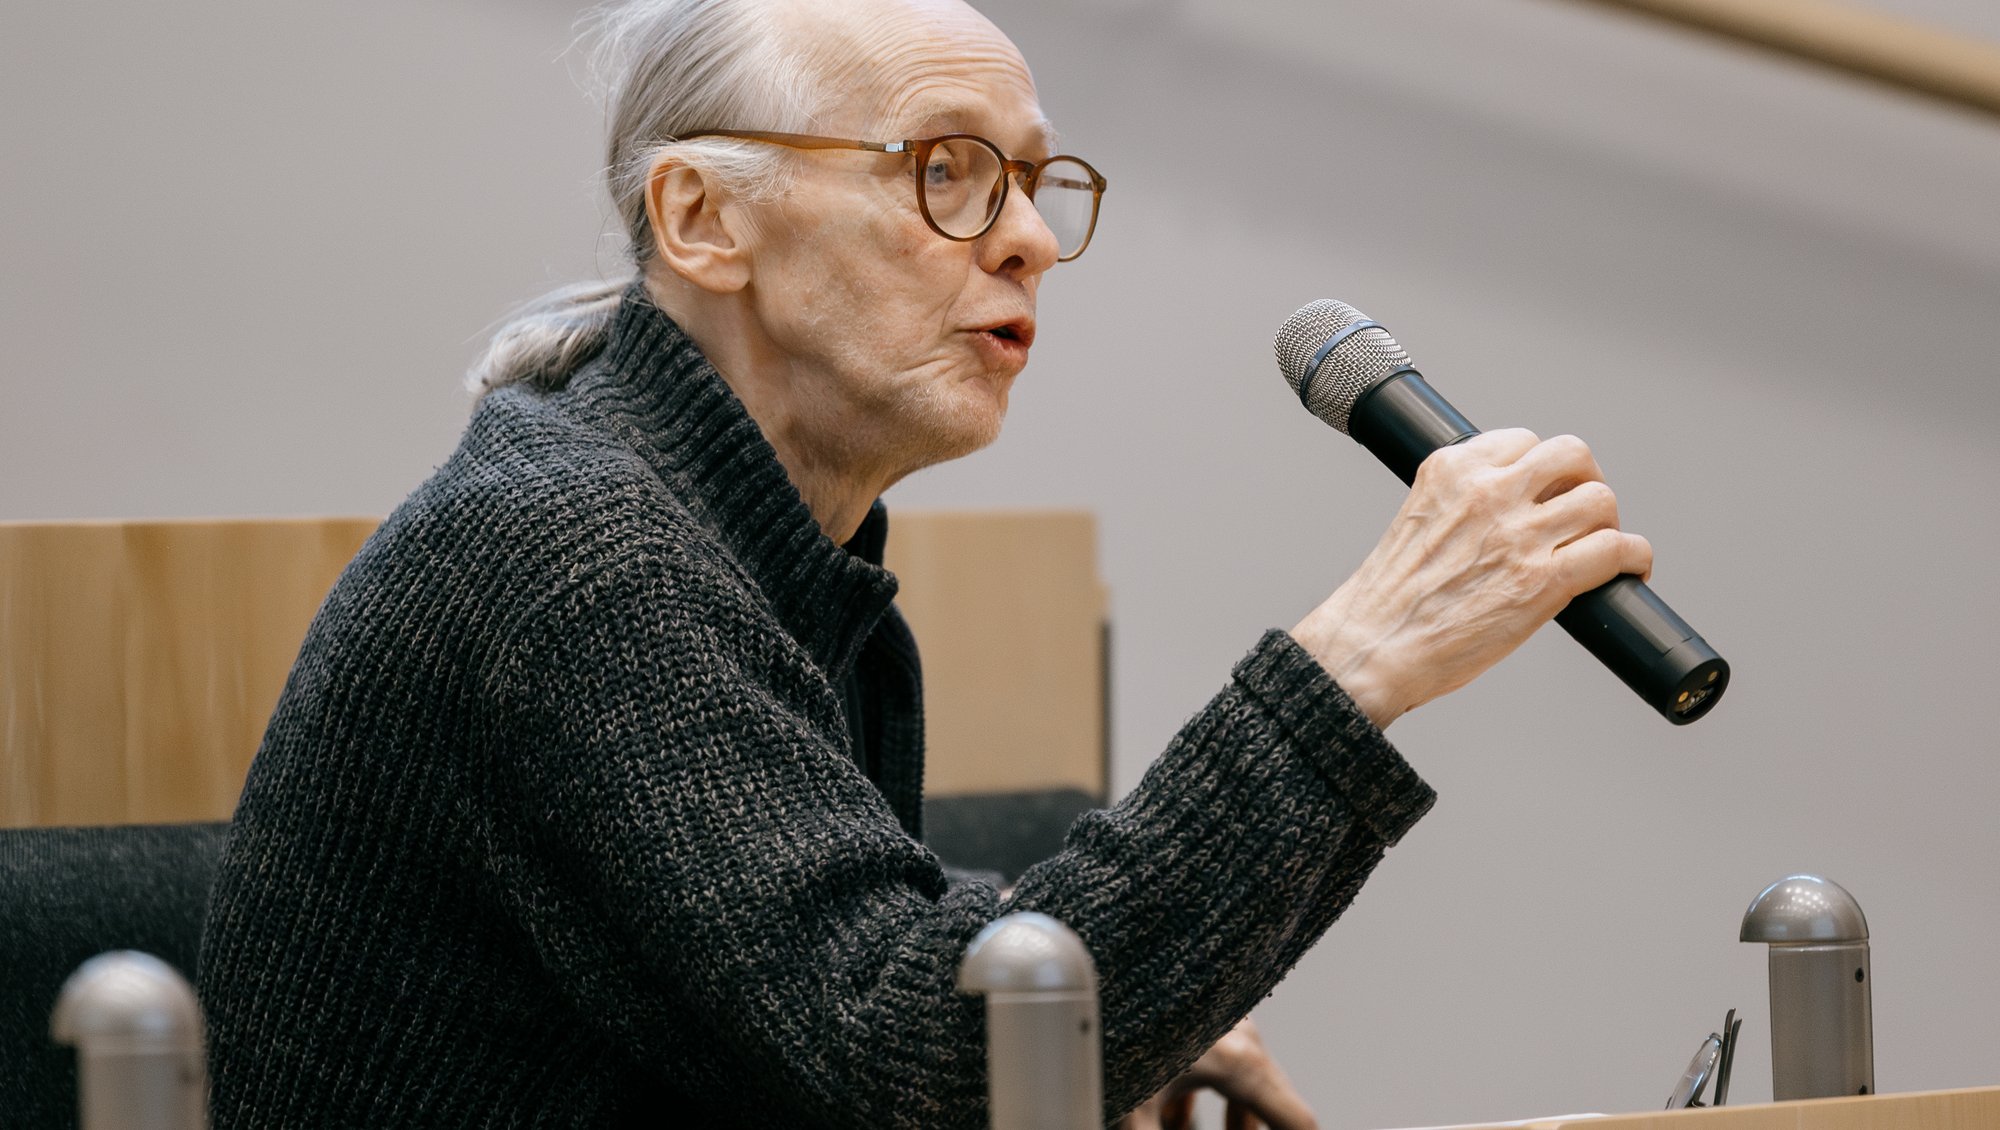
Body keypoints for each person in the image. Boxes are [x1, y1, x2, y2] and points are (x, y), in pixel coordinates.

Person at [195, 0, 1652, 1125]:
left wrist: (1127, 1009)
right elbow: (917, 1065)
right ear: (702, 218)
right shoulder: (571, 555)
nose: (1029, 242)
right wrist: (1356, 663)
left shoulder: (741, 543)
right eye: (946, 171)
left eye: (1032, 181)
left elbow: (821, 972)